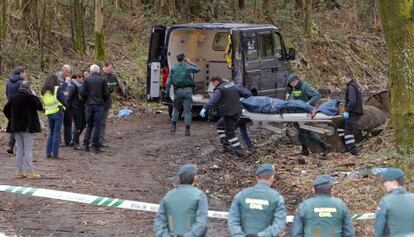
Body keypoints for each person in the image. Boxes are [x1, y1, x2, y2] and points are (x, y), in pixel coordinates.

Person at [228, 164, 287, 237]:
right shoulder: (277, 198)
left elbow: (232, 220)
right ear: (272, 178)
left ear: (256, 177)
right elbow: (279, 225)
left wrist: (239, 235)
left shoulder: (240, 195)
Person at [200, 76, 252, 158]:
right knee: (220, 126)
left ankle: (240, 153)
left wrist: (204, 108)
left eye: (213, 83)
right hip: (237, 112)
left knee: (230, 133)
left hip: (229, 114)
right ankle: (226, 146)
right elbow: (248, 94)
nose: (213, 85)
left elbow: (213, 100)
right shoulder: (232, 85)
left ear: (216, 81)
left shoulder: (220, 89)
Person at [291, 175, 355, 237]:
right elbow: (349, 233)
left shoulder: (304, 205)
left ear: (314, 189)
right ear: (331, 188)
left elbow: (296, 233)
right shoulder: (340, 205)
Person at [154, 164, 208, 237]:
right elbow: (201, 223)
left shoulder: (167, 196)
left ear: (179, 178)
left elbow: (159, 223)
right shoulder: (200, 196)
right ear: (195, 178)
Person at [3, 80, 43, 179]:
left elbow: (5, 110)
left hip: (16, 127)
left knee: (19, 149)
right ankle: (29, 172)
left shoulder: (13, 96)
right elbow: (40, 107)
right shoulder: (30, 97)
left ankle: (19, 172)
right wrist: (34, 95)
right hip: (27, 127)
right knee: (28, 149)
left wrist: (12, 119)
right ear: (29, 88)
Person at [287, 74, 331, 156]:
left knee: (303, 132)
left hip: (308, 113)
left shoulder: (305, 86)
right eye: (290, 83)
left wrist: (308, 103)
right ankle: (325, 145)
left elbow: (317, 95)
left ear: (296, 80)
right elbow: (292, 98)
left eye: (292, 83)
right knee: (307, 132)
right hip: (300, 113)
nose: (291, 85)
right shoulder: (295, 88)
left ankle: (305, 151)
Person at [166, 52, 200, 136]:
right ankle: (187, 130)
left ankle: (173, 127)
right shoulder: (188, 66)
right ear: (184, 58)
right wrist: (190, 62)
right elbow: (198, 69)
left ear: (177, 59)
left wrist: (167, 94)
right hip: (188, 91)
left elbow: (168, 83)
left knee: (176, 109)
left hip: (178, 92)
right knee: (187, 111)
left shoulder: (173, 68)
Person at [375, 168, 414, 237]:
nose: (384, 184)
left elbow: (379, 228)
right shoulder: (412, 198)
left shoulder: (386, 201)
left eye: (386, 181)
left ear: (394, 182)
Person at [81, 64, 110, 153]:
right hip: (99, 105)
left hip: (89, 105)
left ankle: (86, 144)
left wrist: (87, 99)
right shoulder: (103, 80)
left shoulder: (87, 80)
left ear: (91, 71)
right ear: (98, 71)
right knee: (97, 125)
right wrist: (102, 100)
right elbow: (106, 93)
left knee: (89, 125)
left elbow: (82, 92)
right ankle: (95, 146)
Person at [337, 71, 363, 156]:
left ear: (347, 77)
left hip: (354, 112)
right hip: (354, 111)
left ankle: (353, 151)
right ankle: (346, 147)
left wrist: (347, 110)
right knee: (340, 126)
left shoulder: (351, 87)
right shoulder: (353, 85)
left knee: (348, 130)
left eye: (343, 77)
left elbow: (352, 101)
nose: (342, 79)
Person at [41, 74, 66, 159]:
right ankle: (55, 153)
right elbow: (63, 100)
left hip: (49, 113)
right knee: (56, 133)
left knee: (51, 133)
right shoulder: (57, 89)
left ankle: (48, 153)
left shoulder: (43, 90)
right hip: (58, 112)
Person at [5, 66, 28, 154]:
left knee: (13, 125)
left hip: (11, 105)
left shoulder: (8, 81)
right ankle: (20, 148)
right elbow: (24, 95)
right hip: (21, 107)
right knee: (21, 127)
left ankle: (10, 145)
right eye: (24, 72)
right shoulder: (22, 82)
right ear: (21, 73)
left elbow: (7, 93)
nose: (25, 74)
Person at [101, 62, 119, 147]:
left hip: (106, 102)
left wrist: (106, 92)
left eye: (111, 68)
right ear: (104, 67)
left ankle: (101, 139)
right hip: (98, 101)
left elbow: (113, 88)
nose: (109, 70)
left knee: (103, 122)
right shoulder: (99, 75)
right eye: (108, 68)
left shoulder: (112, 77)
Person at [67, 73, 86, 150]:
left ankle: (74, 139)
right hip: (75, 108)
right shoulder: (73, 86)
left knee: (83, 123)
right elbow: (69, 97)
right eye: (80, 77)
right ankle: (76, 143)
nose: (81, 78)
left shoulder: (81, 86)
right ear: (75, 78)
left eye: (82, 77)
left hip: (81, 107)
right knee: (77, 125)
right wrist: (69, 108)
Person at [57, 64, 73, 146]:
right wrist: (66, 83)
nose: (68, 74)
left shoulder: (68, 79)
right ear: (63, 70)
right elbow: (60, 89)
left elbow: (70, 90)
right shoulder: (57, 78)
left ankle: (68, 140)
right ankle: (58, 141)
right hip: (59, 104)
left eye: (69, 73)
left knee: (68, 123)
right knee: (59, 124)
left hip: (68, 104)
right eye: (67, 72)